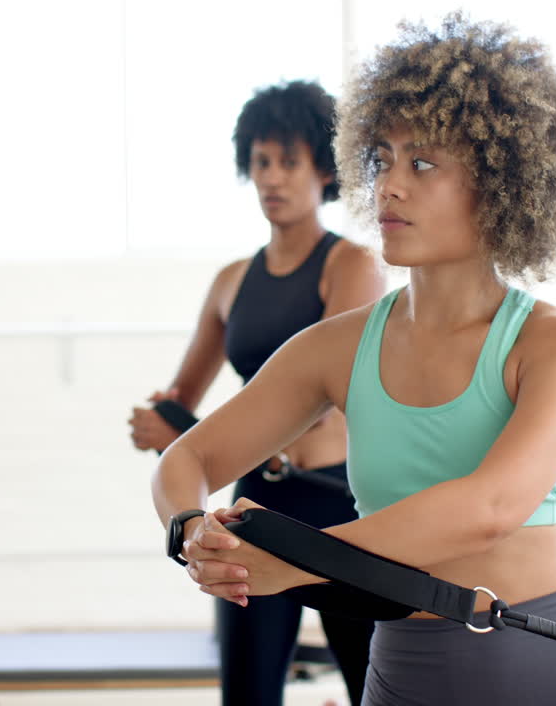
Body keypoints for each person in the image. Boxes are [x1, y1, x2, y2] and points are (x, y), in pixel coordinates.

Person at [153, 13, 556, 705]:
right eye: (383, 159)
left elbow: (488, 507)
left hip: (535, 660)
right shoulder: (338, 347)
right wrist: (192, 531)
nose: (389, 185)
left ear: (498, 183)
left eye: (422, 162)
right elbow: (185, 462)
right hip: (400, 665)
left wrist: (295, 561)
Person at [130, 80, 386, 706]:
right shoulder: (231, 281)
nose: (272, 178)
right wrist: (162, 426)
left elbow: (331, 399)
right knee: (246, 692)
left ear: (323, 170)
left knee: (371, 688)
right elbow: (180, 403)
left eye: (288, 162)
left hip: (339, 509)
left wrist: (199, 433)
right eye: (261, 162)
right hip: (257, 511)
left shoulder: (351, 265)